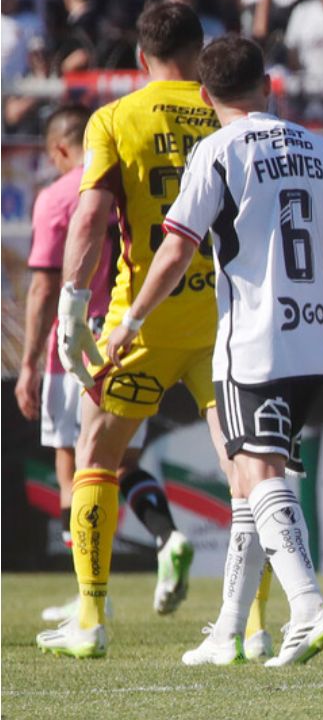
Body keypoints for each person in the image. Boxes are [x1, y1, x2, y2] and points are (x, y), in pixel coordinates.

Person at [105, 34, 323, 666]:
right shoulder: (321, 148)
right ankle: (227, 631)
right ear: (267, 85)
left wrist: (132, 319)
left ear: (207, 95)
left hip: (252, 343)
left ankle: (308, 607)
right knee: (247, 484)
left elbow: (178, 247)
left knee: (259, 475)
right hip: (311, 341)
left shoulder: (217, 151)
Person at [35, 2, 243, 661]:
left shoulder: (115, 117)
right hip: (226, 315)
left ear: (138, 59)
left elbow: (91, 219)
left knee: (95, 457)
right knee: (249, 469)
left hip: (143, 320)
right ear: (201, 49)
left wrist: (73, 308)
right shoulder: (229, 114)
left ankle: (90, 621)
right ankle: (252, 627)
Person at [17, 104, 182, 624]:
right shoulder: (132, 181)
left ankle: (91, 593)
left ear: (61, 150)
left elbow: (45, 284)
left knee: (76, 471)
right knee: (122, 465)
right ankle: (166, 535)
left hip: (75, 348)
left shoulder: (62, 196)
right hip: (129, 338)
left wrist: (27, 364)